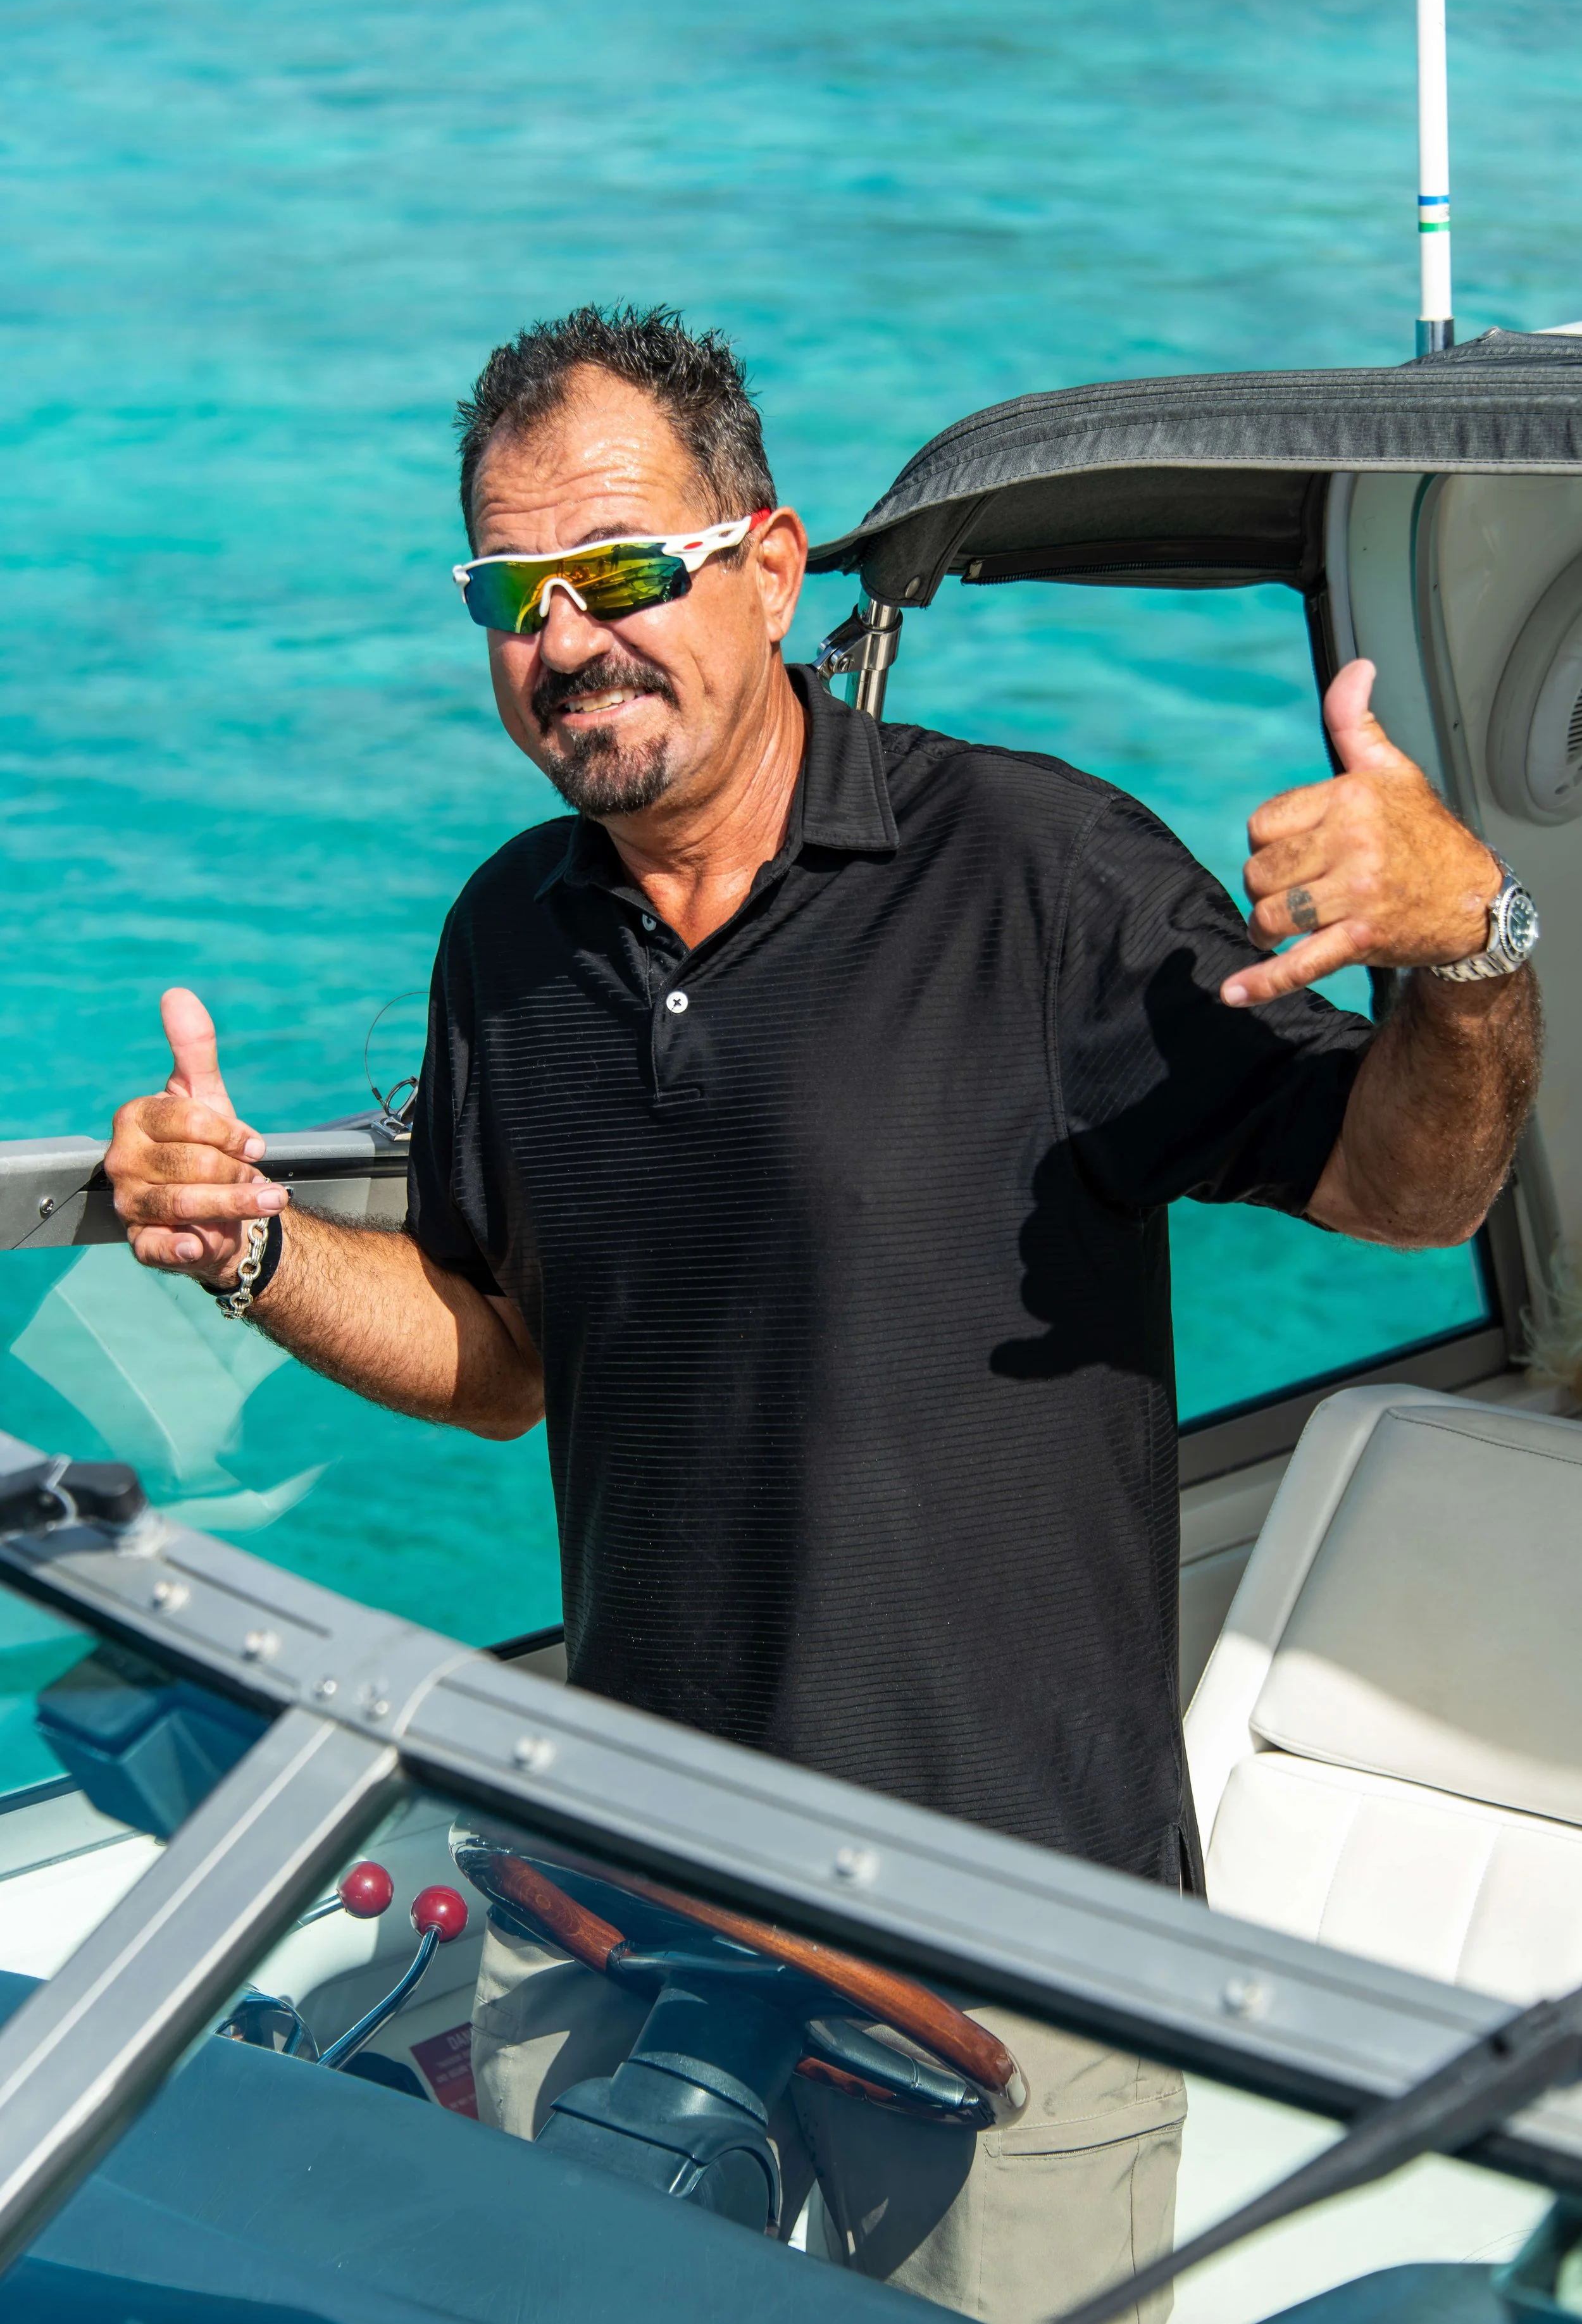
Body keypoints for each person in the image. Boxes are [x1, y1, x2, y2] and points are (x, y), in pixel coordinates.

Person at [104, 306, 1540, 2320]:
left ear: (768, 569)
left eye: (618, 572)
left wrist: (1462, 945)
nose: (565, 640)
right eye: (508, 594)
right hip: (619, 1895)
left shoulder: (1038, 873)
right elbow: (506, 1361)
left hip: (1008, 1949)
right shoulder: (511, 935)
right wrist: (252, 1245)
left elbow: (1409, 1195)